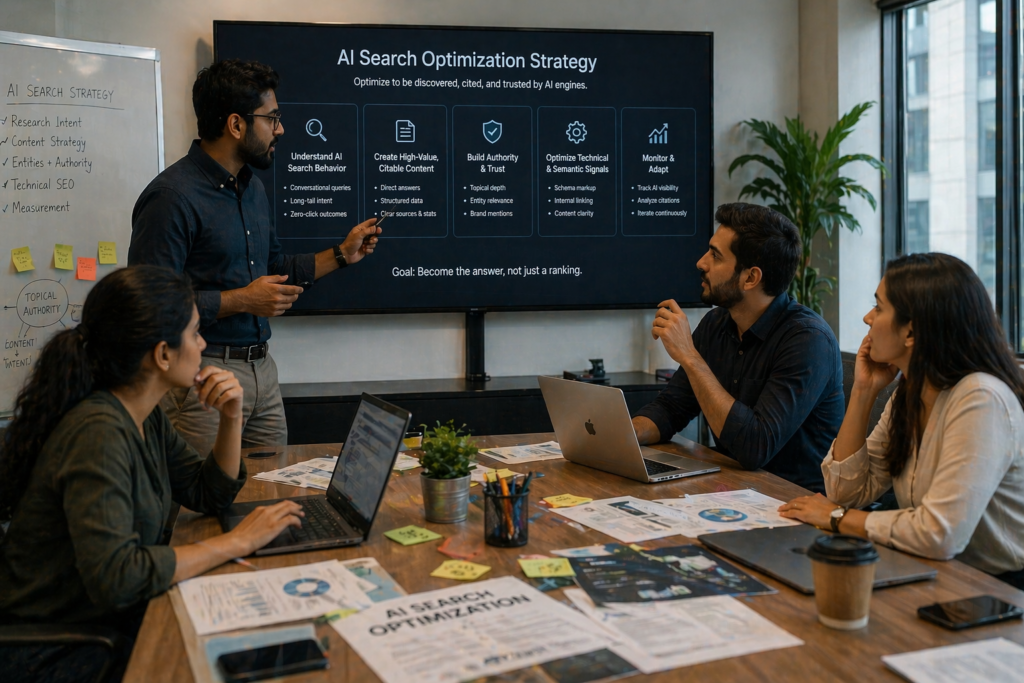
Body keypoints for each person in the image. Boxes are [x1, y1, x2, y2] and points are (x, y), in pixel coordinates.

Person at [0, 267, 305, 682]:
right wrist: (238, 541)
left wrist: (231, 418)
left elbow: (206, 493)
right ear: (162, 354)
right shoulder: (98, 432)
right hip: (60, 651)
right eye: (196, 334)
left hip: (110, 623)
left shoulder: (143, 415)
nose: (203, 345)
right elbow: (118, 578)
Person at [129, 59, 381, 456]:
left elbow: (276, 270)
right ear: (236, 125)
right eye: (273, 118)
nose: (280, 129)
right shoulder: (171, 198)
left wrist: (342, 254)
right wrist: (242, 300)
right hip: (201, 377)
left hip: (263, 373)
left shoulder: (252, 188)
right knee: (201, 509)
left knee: (269, 498)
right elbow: (146, 306)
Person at [779, 253, 1024, 588]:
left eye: (878, 307)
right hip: (936, 571)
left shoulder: (981, 399)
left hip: (999, 590)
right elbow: (845, 492)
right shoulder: (910, 392)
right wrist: (864, 392)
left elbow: (940, 534)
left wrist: (837, 518)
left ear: (910, 332)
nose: (867, 318)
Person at [632, 203, 844, 493]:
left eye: (715, 256)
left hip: (792, 501)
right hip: (734, 489)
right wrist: (624, 435)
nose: (701, 263)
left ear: (750, 278)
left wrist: (690, 357)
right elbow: (672, 408)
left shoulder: (808, 340)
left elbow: (755, 447)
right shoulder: (717, 323)